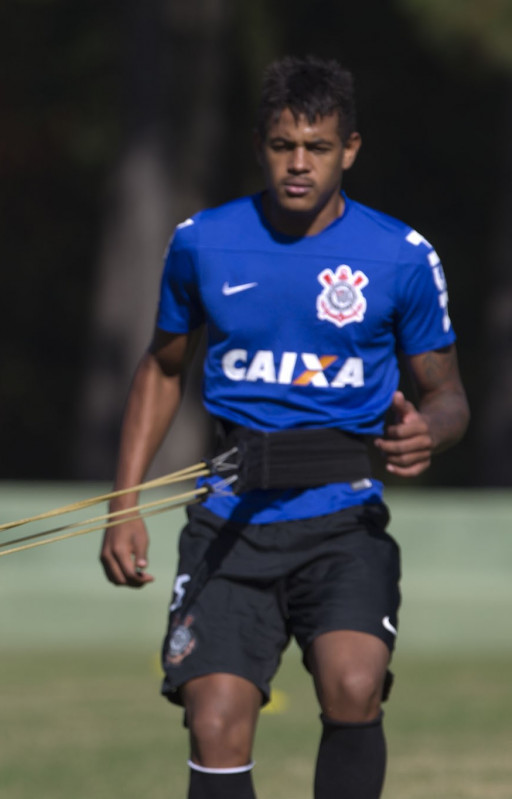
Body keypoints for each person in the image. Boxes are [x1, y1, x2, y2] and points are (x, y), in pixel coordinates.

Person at [99, 56, 469, 799]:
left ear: (351, 149)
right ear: (262, 144)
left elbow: (449, 393)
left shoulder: (400, 257)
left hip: (343, 521)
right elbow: (164, 368)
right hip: (229, 522)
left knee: (355, 682)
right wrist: (124, 502)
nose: (298, 164)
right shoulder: (204, 241)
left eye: (319, 147)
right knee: (216, 718)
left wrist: (430, 428)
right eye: (282, 145)